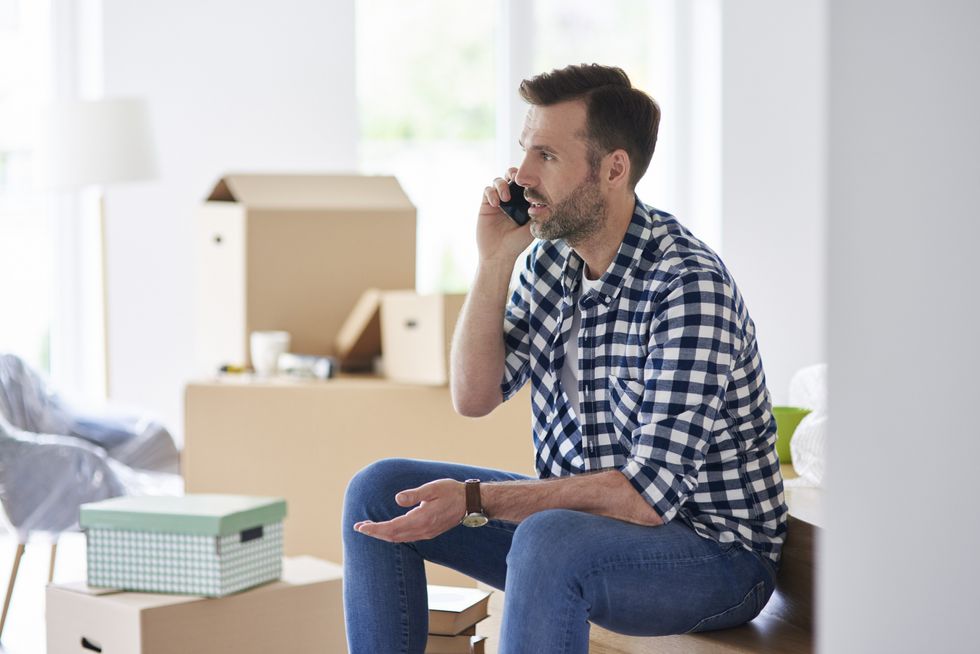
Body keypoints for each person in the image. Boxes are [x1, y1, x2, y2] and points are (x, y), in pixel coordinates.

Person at [342, 63, 787, 654]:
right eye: (525, 150)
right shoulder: (550, 264)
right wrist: (495, 260)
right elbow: (474, 397)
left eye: (547, 156)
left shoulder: (686, 285)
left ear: (613, 169)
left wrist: (475, 499)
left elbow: (644, 498)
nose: (521, 174)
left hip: (714, 556)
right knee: (377, 490)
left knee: (548, 540)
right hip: (585, 533)